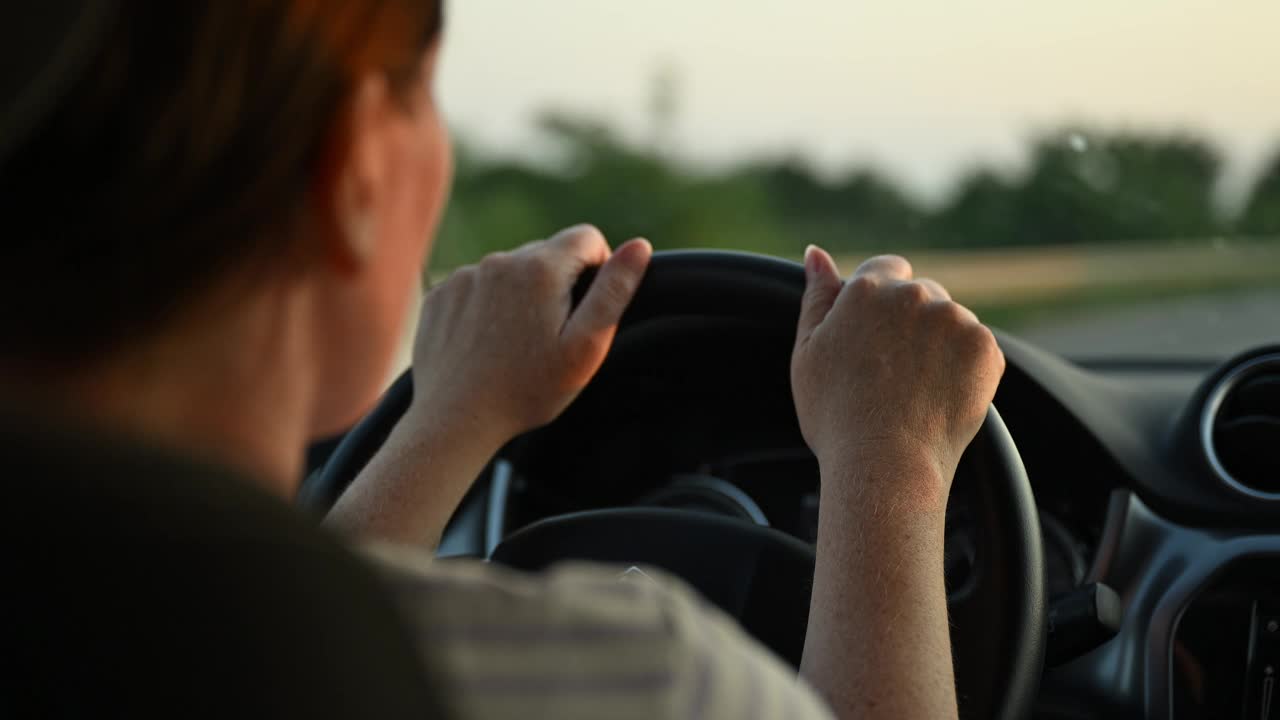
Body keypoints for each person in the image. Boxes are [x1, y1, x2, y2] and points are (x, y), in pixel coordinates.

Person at [0, 2, 1004, 719]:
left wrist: (444, 422)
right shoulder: (628, 677)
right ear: (352, 171)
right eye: (425, 100)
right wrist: (892, 469)